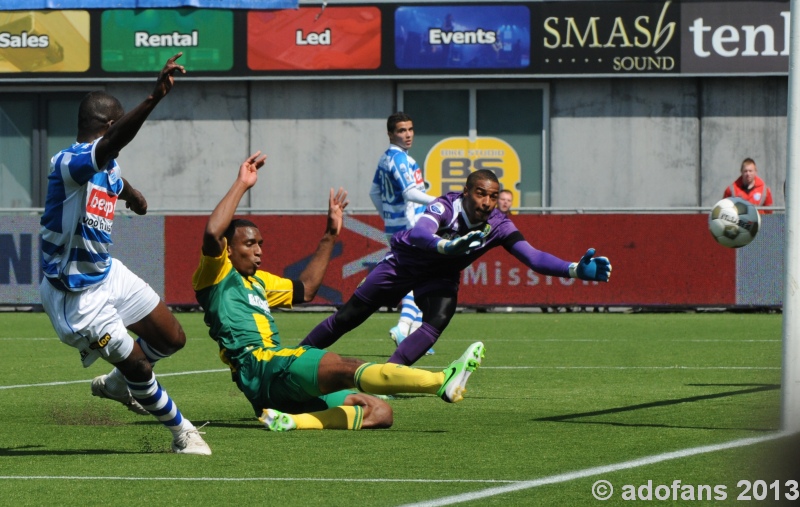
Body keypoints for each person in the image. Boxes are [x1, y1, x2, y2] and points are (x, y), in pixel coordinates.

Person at [192, 151, 485, 431]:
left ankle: (292, 422)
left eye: (261, 244)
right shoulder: (216, 274)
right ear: (227, 250)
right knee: (347, 367)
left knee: (380, 412)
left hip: (271, 391)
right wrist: (243, 182)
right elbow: (212, 233)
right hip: (265, 365)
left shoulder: (259, 281)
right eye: (250, 244)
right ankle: (439, 380)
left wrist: (331, 235)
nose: (258, 251)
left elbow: (305, 289)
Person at [38, 53, 211, 455]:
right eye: (118, 130)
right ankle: (182, 432)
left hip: (105, 273)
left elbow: (111, 168)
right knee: (139, 366)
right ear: (111, 127)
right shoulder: (68, 162)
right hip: (75, 296)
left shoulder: (107, 165)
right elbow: (106, 150)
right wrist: (152, 99)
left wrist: (131, 194)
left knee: (173, 337)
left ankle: (116, 384)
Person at [301, 169, 612, 366]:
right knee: (348, 318)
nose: (488, 201)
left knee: (438, 319)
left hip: (439, 274)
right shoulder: (445, 205)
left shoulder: (499, 225)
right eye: (481, 193)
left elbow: (533, 257)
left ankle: (389, 376)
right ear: (466, 193)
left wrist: (574, 270)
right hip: (404, 263)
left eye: (493, 196)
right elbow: (423, 232)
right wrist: (447, 246)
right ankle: (293, 358)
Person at [369, 112, 436, 354]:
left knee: (418, 277)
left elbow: (374, 193)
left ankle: (414, 330)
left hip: (396, 227)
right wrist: (438, 202)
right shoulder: (399, 160)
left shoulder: (385, 158)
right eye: (401, 131)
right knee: (423, 277)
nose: (407, 135)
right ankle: (405, 326)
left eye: (410, 129)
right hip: (410, 227)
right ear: (390, 134)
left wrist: (388, 217)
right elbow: (410, 193)